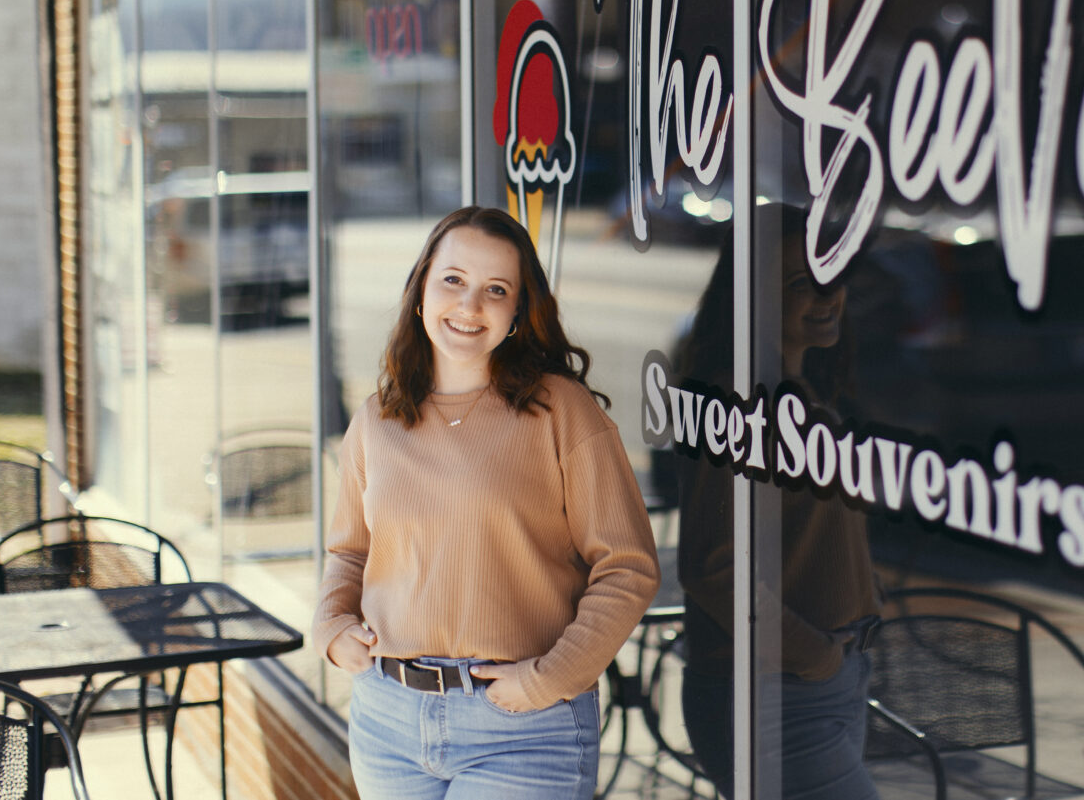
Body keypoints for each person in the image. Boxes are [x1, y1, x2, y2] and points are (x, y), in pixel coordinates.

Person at [312, 206, 660, 800]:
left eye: (496, 290)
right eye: (453, 279)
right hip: (387, 721)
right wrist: (331, 625)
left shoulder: (561, 411)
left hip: (521, 727)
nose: (470, 305)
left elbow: (628, 567)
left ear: (519, 312)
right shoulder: (377, 419)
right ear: (421, 289)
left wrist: (552, 677)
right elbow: (349, 552)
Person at [675, 205, 884, 800]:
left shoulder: (795, 390)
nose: (826, 294)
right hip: (775, 690)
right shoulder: (740, 404)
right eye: (799, 283)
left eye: (830, 273)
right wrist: (814, 654)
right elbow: (710, 567)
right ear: (752, 295)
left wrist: (858, 613)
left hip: (820, 680)